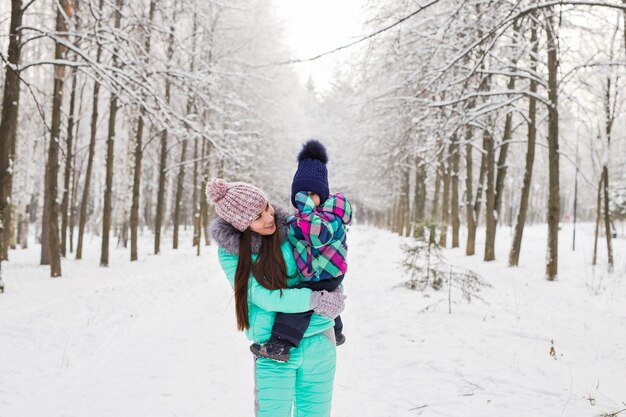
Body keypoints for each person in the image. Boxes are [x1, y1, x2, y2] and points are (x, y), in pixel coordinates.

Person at [207, 178, 345, 417]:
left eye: (267, 208)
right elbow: (263, 296)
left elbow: (326, 264)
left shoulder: (294, 228)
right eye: (257, 217)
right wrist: (316, 299)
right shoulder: (231, 253)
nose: (269, 218)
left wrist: (335, 292)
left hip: (319, 339)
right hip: (272, 348)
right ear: (241, 225)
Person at [251, 140, 351, 362]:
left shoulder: (331, 215)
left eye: (312, 194)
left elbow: (317, 236)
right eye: (301, 194)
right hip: (319, 270)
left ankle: (281, 344)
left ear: (323, 195)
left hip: (325, 272)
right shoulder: (304, 216)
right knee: (319, 296)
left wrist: (305, 209)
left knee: (298, 306)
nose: (305, 199)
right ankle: (336, 329)